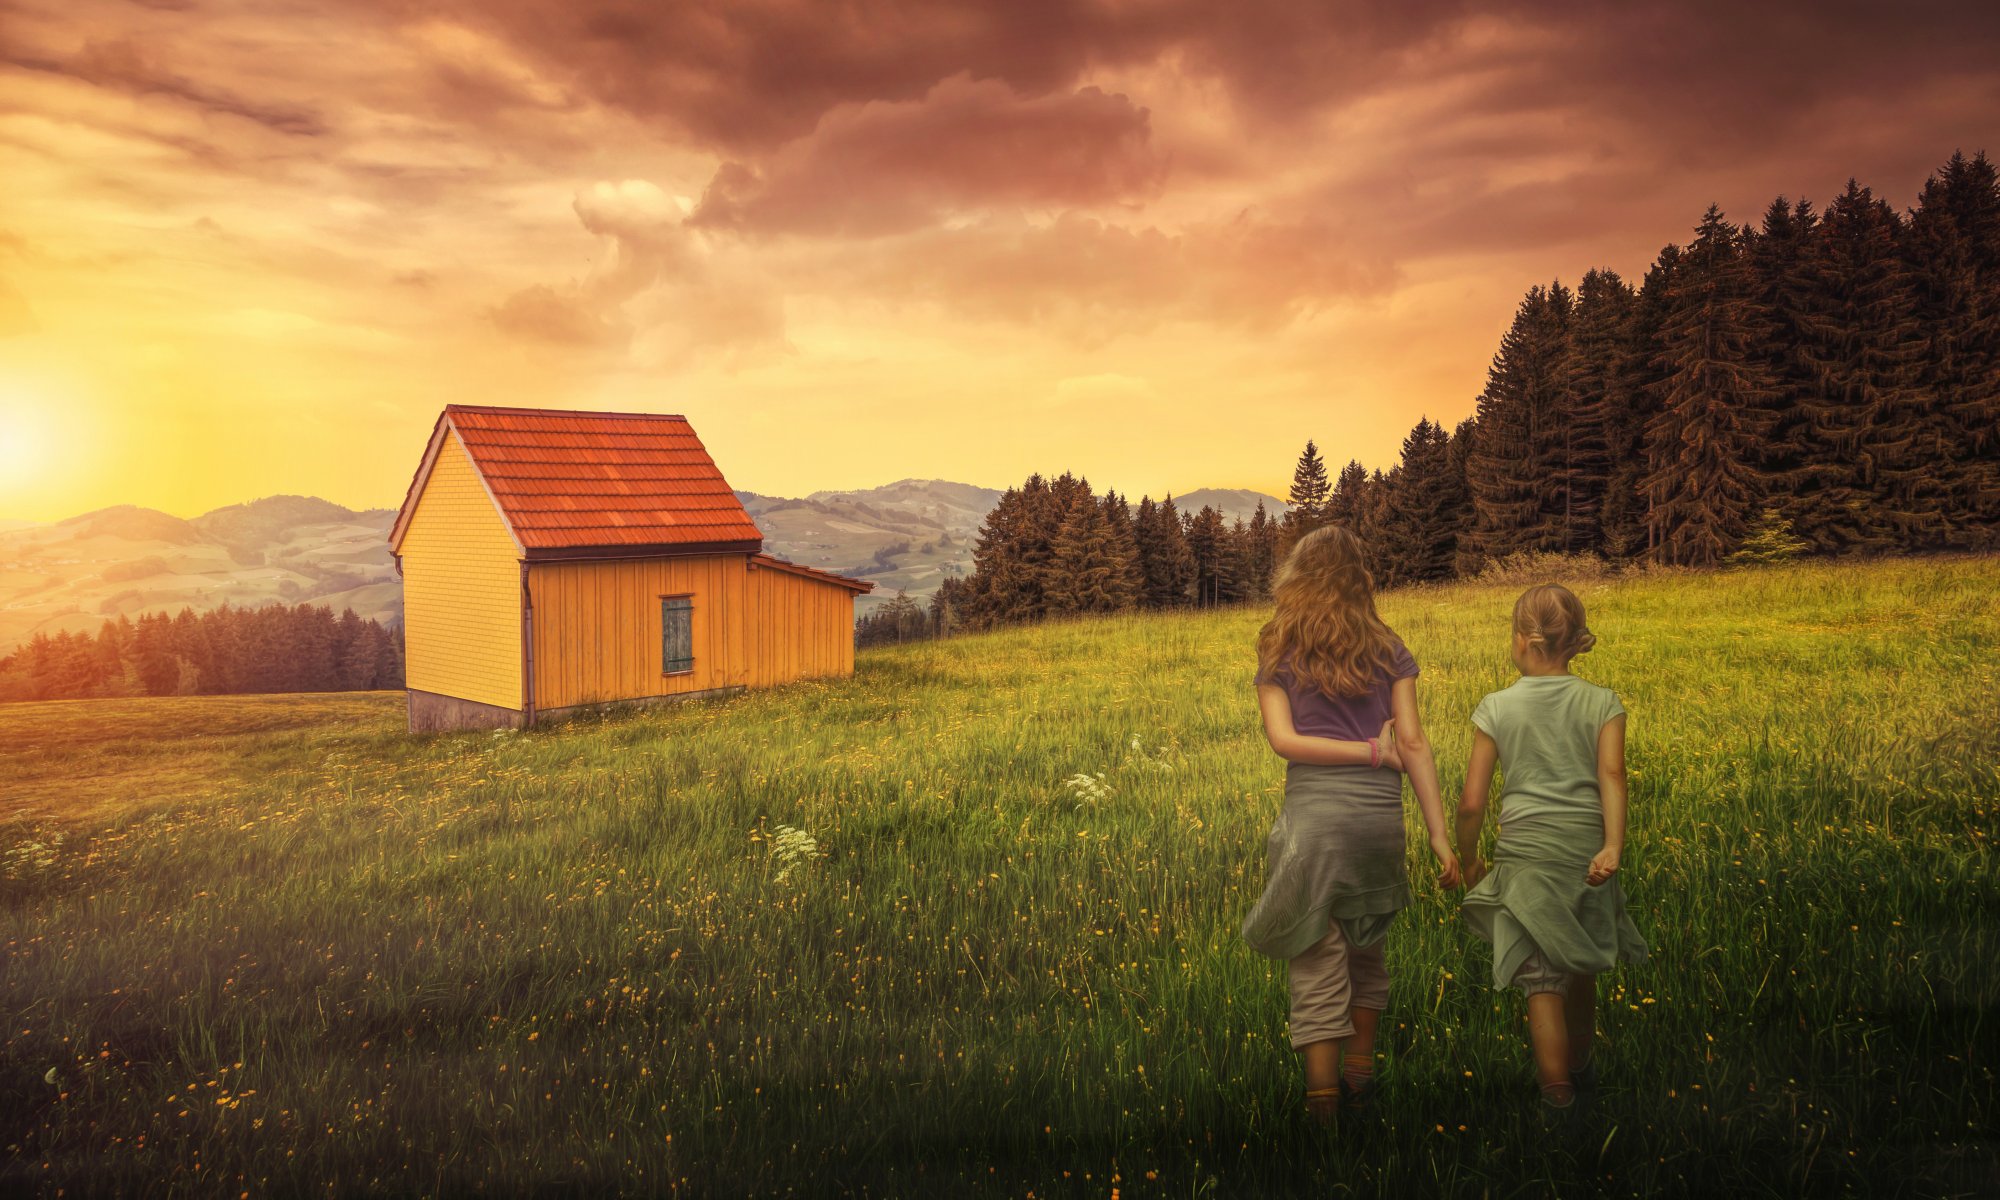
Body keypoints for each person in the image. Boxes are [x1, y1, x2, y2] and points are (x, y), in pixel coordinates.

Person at [1241, 525, 1460, 1124]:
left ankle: (1323, 1108)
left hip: (1315, 828)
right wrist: (1438, 834)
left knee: (1317, 959)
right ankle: (1361, 1083)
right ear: (1361, 578)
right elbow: (1412, 744)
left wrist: (1365, 752)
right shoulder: (1389, 647)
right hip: (1378, 826)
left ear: (1297, 577)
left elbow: (1283, 740)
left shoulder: (1277, 644)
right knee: (1367, 953)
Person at [1456, 583, 1648, 1118]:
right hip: (1585, 853)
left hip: (1525, 858)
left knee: (1541, 978)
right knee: (1580, 963)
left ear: (1522, 639)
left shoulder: (1496, 707)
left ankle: (1557, 1096)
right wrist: (1612, 845)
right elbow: (1613, 775)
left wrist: (1469, 858)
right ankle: (1582, 1068)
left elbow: (1472, 802)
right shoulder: (1602, 702)